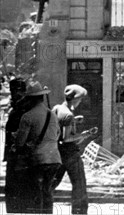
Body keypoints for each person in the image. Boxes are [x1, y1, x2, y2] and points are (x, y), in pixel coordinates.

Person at [14, 80, 62, 213]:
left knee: (36, 194)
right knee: (47, 192)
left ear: (30, 99)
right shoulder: (52, 114)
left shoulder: (27, 116)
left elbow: (20, 142)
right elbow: (57, 134)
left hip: (38, 160)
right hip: (54, 159)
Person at [52, 84, 95, 214]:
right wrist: (84, 135)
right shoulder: (69, 115)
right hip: (70, 154)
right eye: (80, 99)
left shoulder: (58, 108)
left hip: (57, 152)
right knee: (79, 185)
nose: (80, 102)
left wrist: (74, 121)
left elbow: (60, 127)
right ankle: (79, 212)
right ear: (75, 99)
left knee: (52, 182)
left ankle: (41, 205)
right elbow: (67, 138)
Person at [4, 76, 31, 213]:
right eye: (14, 91)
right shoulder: (15, 106)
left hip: (21, 155)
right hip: (13, 154)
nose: (16, 93)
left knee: (19, 189)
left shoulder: (24, 108)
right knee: (13, 189)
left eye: (19, 91)